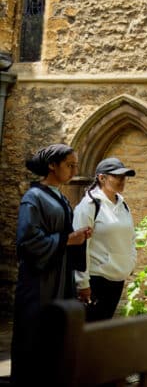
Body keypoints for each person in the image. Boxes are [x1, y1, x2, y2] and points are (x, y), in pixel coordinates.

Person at [12, 144, 92, 385]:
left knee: (55, 338)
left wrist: (78, 237)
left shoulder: (61, 198)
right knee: (34, 336)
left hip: (60, 277)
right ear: (52, 166)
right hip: (39, 282)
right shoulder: (33, 198)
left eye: (75, 165)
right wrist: (69, 239)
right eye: (70, 165)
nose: (74, 170)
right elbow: (27, 241)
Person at [73, 157, 137, 322]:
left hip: (117, 279)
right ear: (102, 178)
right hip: (96, 280)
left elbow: (130, 238)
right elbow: (80, 247)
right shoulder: (89, 205)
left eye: (124, 177)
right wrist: (82, 283)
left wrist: (130, 263)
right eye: (117, 176)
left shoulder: (123, 204)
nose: (122, 181)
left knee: (104, 332)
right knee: (91, 333)